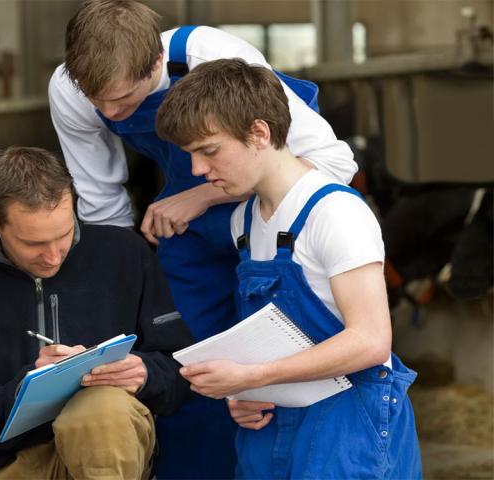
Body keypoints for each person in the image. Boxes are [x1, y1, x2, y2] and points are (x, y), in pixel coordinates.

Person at [49, 1, 358, 476]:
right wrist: (116, 291)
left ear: (155, 63)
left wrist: (200, 196)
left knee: (280, 353)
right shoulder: (68, 90)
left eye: (124, 99)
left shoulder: (211, 57)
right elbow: (102, 205)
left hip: (270, 213)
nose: (109, 112)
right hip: (185, 232)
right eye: (97, 101)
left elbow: (335, 163)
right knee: (187, 358)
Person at [156, 58, 422, 479]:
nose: (197, 171)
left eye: (208, 151)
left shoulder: (335, 213)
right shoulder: (242, 222)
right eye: (191, 155)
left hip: (347, 428)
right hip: (273, 428)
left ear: (259, 133)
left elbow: (370, 341)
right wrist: (248, 391)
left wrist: (254, 375)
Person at [0, 146, 194, 479]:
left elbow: (182, 368)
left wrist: (144, 373)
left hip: (110, 449)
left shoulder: (125, 252)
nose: (53, 256)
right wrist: (27, 387)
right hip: (4, 464)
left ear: (72, 201)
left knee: (99, 409)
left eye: (64, 234)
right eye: (33, 243)